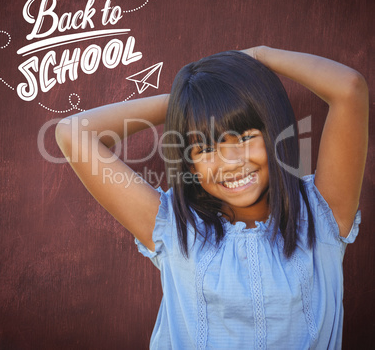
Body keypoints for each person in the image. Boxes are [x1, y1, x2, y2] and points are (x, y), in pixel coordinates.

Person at [55, 46, 368, 349]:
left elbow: (349, 88)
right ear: (188, 163)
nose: (229, 163)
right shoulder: (175, 230)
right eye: (204, 149)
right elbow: (72, 132)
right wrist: (187, 104)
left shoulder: (321, 215)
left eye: (245, 138)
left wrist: (260, 55)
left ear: (274, 132)